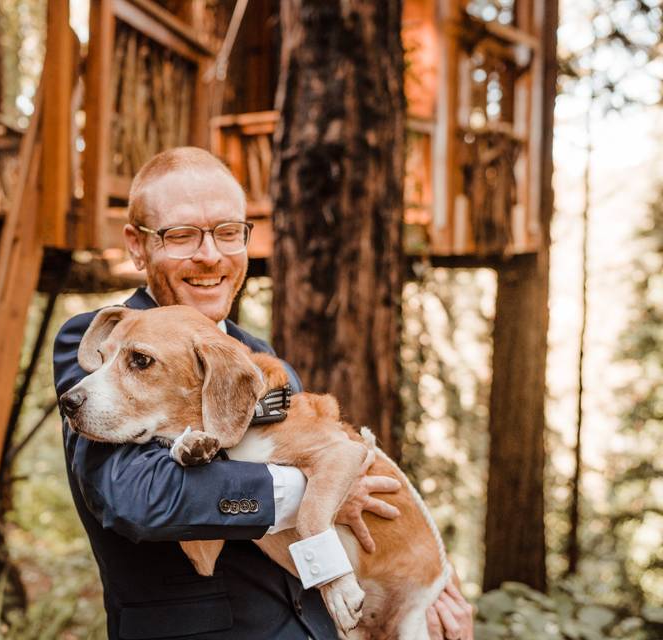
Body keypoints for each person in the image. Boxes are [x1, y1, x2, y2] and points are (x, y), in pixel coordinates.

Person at [53, 147, 474, 639]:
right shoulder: (106, 346)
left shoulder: (262, 363)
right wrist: (310, 493)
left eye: (228, 233)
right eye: (182, 235)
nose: (209, 255)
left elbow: (353, 478)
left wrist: (438, 588)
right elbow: (140, 499)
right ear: (137, 246)